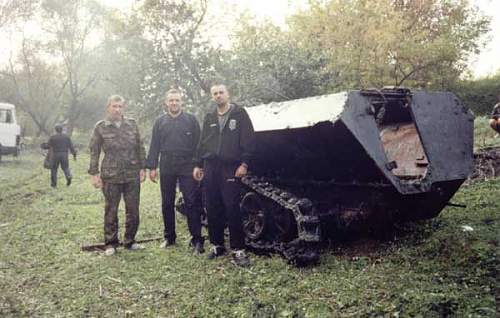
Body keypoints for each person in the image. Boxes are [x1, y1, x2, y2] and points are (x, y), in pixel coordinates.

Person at [193, 84, 256, 267]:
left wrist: (244, 163)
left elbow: (249, 140)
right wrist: (198, 164)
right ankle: (217, 245)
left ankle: (238, 250)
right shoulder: (210, 117)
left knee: (232, 207)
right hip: (210, 166)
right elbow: (202, 142)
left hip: (230, 167)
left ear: (228, 94)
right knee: (212, 207)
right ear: (212, 97)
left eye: (221, 92)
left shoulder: (240, 114)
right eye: (215, 94)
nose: (218, 96)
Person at [146, 88, 204, 254]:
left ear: (181, 102)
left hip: (187, 164)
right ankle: (169, 237)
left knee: (191, 202)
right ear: (166, 102)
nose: (174, 103)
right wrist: (152, 167)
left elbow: (198, 145)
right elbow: (154, 145)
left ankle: (197, 240)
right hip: (167, 164)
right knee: (167, 202)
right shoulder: (160, 122)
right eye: (171, 100)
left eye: (177, 100)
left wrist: (198, 165)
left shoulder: (191, 120)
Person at [88, 95, 146, 256]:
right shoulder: (101, 127)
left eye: (120, 106)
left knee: (133, 210)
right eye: (114, 106)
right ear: (108, 108)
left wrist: (143, 168)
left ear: (123, 108)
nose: (117, 109)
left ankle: (130, 241)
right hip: (110, 175)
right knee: (111, 210)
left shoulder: (132, 125)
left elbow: (140, 147)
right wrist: (94, 173)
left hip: (131, 173)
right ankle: (110, 243)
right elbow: (94, 151)